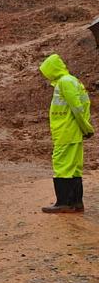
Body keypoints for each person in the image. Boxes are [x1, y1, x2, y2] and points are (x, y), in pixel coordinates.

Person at [39, 54, 93, 213]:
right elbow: (83, 105)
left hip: (66, 132)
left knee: (62, 166)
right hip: (72, 132)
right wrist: (84, 128)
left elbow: (77, 108)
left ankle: (64, 203)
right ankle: (76, 202)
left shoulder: (64, 82)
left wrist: (86, 128)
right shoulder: (73, 80)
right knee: (74, 168)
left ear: (52, 69)